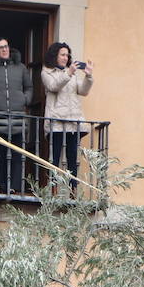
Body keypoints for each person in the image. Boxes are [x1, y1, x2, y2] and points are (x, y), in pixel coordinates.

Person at [0, 37, 34, 194]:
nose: (4, 49)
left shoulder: (20, 68)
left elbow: (29, 87)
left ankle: (10, 185)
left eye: (6, 46)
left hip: (17, 116)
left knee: (15, 153)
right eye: (0, 47)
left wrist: (25, 99)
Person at [42, 42, 94, 188]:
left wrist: (88, 77)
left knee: (72, 159)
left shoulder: (70, 73)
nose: (66, 58)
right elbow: (53, 86)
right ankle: (51, 189)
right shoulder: (47, 72)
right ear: (55, 56)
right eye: (62, 54)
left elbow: (83, 91)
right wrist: (68, 73)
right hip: (56, 122)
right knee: (54, 159)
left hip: (73, 122)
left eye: (67, 55)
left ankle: (72, 191)